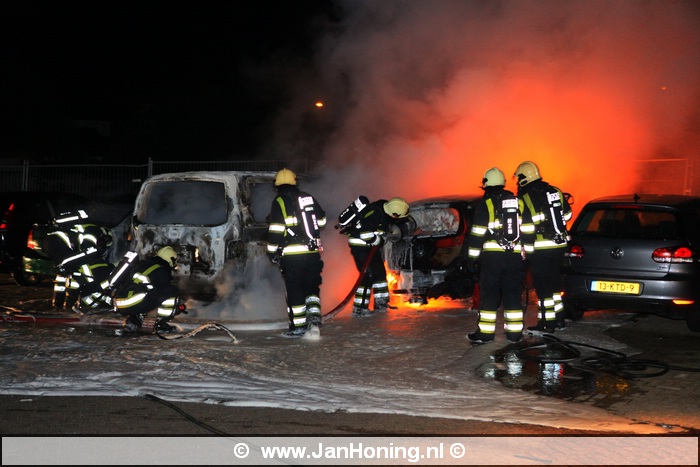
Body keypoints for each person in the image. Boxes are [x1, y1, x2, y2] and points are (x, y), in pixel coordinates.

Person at [465, 168, 526, 344]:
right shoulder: (519, 203)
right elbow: (528, 230)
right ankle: (514, 334)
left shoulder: (487, 204)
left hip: (492, 258)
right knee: (513, 294)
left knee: (490, 294)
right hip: (515, 257)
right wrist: (526, 254)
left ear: (486, 184)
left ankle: (485, 333)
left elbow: (477, 233)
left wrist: (472, 258)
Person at [266, 168, 327, 338]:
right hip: (312, 252)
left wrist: (271, 252)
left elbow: (276, 229)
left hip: (292, 256)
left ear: (276, 185)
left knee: (295, 290)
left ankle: (298, 327)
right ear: (295, 182)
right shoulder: (307, 197)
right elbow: (322, 221)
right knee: (312, 287)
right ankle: (314, 319)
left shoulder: (279, 201)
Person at [514, 161, 573, 333]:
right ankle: (559, 319)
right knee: (553, 284)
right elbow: (568, 214)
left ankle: (547, 323)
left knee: (543, 288)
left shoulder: (524, 198)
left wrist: (527, 253)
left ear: (524, 178)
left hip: (540, 249)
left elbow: (526, 228)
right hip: (559, 246)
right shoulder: (555, 191)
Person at [341, 196, 410, 317]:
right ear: (394, 214)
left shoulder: (384, 209)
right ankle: (360, 309)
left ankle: (381, 303)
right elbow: (365, 234)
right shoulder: (376, 214)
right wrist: (379, 241)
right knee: (367, 275)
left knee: (379, 273)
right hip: (360, 246)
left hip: (370, 246)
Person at [42, 210, 113, 311]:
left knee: (65, 271)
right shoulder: (94, 230)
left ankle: (59, 304)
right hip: (58, 242)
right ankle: (74, 302)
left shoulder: (80, 228)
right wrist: (98, 250)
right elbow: (88, 249)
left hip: (50, 241)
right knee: (83, 267)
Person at [110, 246, 184, 334]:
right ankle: (161, 322)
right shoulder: (161, 272)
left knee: (145, 292)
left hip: (119, 302)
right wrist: (177, 307)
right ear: (170, 261)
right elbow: (158, 295)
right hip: (134, 301)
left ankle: (134, 320)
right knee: (171, 289)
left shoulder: (143, 264)